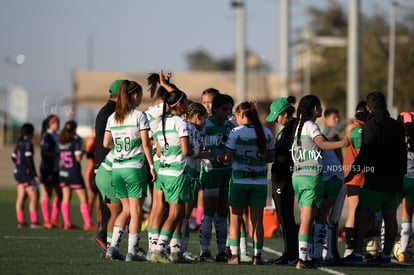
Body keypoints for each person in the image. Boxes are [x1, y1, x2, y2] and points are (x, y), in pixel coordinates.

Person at [344, 91, 406, 266]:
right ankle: (386, 256)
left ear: (368, 108)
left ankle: (356, 254)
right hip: (394, 179)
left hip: (376, 179)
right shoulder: (396, 125)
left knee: (362, 213)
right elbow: (402, 152)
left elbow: (367, 152)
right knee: (391, 216)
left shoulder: (371, 125)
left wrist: (352, 172)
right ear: (385, 105)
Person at [290, 95, 349, 269]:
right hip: (311, 177)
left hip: (298, 176)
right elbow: (322, 144)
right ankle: (304, 259)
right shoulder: (311, 126)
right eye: (319, 106)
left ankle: (309, 255)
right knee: (310, 219)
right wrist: (342, 143)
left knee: (306, 217)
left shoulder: (297, 127)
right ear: (315, 109)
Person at [104, 80, 156, 262]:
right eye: (140, 95)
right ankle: (132, 252)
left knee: (125, 210)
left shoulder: (113, 117)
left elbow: (104, 143)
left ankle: (112, 248)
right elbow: (145, 144)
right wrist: (151, 166)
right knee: (136, 212)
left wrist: (120, 150)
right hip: (134, 168)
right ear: (135, 95)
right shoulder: (139, 116)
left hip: (117, 169)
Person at [219, 101, 274, 265]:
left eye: (237, 116)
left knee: (235, 218)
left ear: (242, 115)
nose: (235, 119)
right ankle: (257, 256)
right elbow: (270, 158)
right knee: (257, 220)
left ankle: (235, 256)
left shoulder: (236, 132)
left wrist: (217, 157)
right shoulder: (267, 132)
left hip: (238, 182)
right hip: (259, 183)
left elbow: (227, 157)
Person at [150, 89, 191, 263]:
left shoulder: (161, 123)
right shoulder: (181, 123)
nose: (188, 105)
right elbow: (187, 150)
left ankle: (175, 252)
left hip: (164, 172)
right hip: (177, 173)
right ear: (180, 104)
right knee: (174, 214)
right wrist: (197, 151)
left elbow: (158, 152)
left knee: (179, 212)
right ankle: (159, 250)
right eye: (187, 101)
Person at [199, 93, 234, 262]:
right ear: (215, 109)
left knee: (222, 213)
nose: (228, 112)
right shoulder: (205, 125)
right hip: (210, 172)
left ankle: (221, 251)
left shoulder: (230, 126)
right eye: (224, 109)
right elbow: (197, 146)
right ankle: (204, 251)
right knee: (209, 212)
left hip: (226, 172)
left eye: (230, 109)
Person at [265, 96, 298, 265]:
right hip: (279, 178)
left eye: (277, 116)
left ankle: (292, 254)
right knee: (283, 217)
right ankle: (289, 253)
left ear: (285, 114)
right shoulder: (285, 129)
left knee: (286, 217)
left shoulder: (293, 128)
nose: (276, 120)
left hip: (285, 178)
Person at [94, 79, 123, 252]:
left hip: (104, 164)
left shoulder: (106, 111)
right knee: (113, 207)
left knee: (111, 207)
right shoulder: (110, 113)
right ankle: (105, 237)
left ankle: (107, 239)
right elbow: (108, 142)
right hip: (108, 165)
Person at [58, 120, 97, 231]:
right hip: (73, 173)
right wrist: (84, 151)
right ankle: (88, 223)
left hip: (63, 172)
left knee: (66, 198)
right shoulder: (76, 140)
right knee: (83, 199)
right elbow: (78, 158)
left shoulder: (61, 140)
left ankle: (67, 223)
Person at [181, 102, 208, 260]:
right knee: (183, 214)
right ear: (198, 116)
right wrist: (203, 154)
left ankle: (178, 248)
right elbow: (188, 151)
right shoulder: (189, 128)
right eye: (204, 117)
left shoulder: (188, 127)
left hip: (187, 173)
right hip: (187, 173)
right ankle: (178, 249)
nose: (205, 122)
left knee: (182, 214)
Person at [342, 101, 369, 257]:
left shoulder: (359, 128)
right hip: (355, 178)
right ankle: (350, 247)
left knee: (360, 213)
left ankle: (357, 245)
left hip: (357, 177)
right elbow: (362, 155)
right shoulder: (358, 130)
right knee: (354, 213)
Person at [11, 123, 42, 229]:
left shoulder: (19, 143)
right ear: (31, 133)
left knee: (20, 198)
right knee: (34, 196)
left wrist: (19, 165)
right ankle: (34, 222)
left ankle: (21, 222)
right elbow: (29, 160)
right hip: (26, 174)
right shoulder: (28, 143)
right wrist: (35, 175)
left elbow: (13, 157)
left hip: (18, 173)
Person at [394, 111, 414, 263]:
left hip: (398, 179)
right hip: (413, 180)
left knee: (388, 214)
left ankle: (384, 252)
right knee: (407, 217)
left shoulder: (395, 135)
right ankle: (402, 252)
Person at [39, 114, 62, 229]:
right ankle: (47, 220)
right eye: (55, 122)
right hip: (47, 169)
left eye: (58, 122)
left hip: (56, 169)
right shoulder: (46, 136)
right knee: (47, 194)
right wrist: (56, 154)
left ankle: (54, 219)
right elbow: (43, 153)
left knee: (60, 194)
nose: (57, 124)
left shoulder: (57, 135)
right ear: (50, 124)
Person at [84, 128, 100, 227]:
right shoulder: (92, 141)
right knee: (91, 198)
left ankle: (99, 221)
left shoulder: (103, 140)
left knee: (101, 200)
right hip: (92, 173)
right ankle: (87, 222)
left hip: (101, 172)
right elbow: (88, 155)